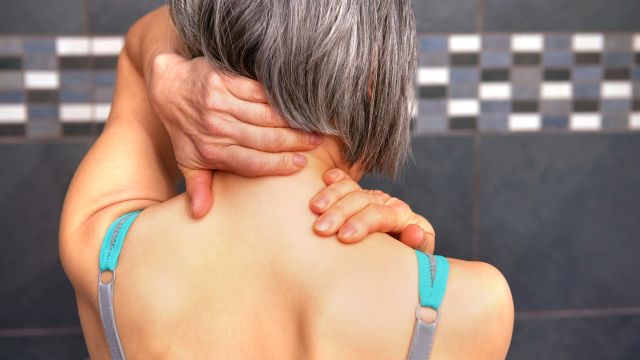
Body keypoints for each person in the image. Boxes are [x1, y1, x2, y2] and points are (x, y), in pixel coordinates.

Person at [60, 2, 513, 359]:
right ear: (373, 76)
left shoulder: (102, 247)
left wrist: (170, 69)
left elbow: (141, 43)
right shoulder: (469, 306)